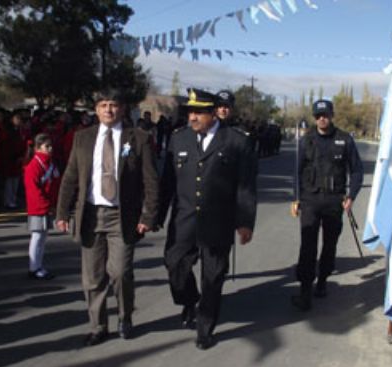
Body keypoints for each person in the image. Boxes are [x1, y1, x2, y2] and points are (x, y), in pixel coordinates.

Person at [55, 89, 159, 345]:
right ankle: (98, 325)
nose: (108, 110)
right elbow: (70, 177)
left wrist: (148, 215)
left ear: (122, 108)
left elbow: (151, 180)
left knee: (120, 272)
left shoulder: (139, 138)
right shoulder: (83, 138)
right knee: (92, 277)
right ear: (96, 109)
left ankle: (125, 316)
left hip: (121, 216)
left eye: (113, 105)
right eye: (103, 105)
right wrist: (61, 212)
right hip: (90, 214)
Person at [157, 88, 258, 350]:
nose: (192, 117)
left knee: (213, 277)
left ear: (213, 113)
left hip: (218, 221)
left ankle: (205, 328)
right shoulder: (178, 139)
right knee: (174, 265)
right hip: (184, 220)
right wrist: (156, 215)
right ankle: (189, 300)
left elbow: (245, 186)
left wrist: (245, 221)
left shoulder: (236, 141)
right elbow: (167, 182)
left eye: (198, 112)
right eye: (190, 111)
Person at [291, 99, 363, 311]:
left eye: (325, 115)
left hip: (334, 201)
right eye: (318, 116)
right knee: (308, 246)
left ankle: (322, 282)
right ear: (314, 117)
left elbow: (357, 170)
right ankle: (305, 291)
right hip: (310, 200)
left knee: (330, 245)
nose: (322, 119)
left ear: (332, 115)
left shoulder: (344, 140)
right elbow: (297, 171)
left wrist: (351, 196)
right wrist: (296, 198)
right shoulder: (307, 140)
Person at [24, 133, 61, 279]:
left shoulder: (50, 163)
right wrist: (46, 205)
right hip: (38, 207)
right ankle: (33, 267)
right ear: (38, 148)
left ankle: (38, 265)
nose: (50, 149)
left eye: (51, 146)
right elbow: (33, 190)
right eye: (47, 146)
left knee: (43, 237)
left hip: (47, 205)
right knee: (37, 236)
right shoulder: (33, 166)